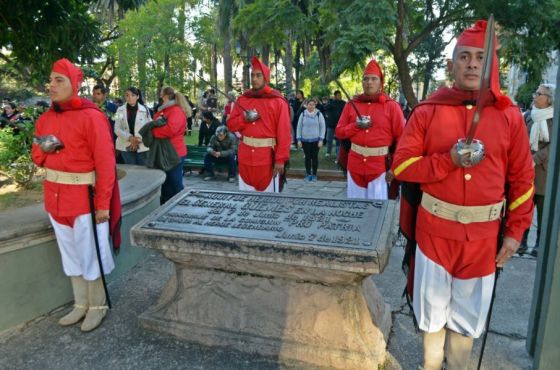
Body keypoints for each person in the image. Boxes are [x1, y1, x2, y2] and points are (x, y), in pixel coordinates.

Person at [391, 21, 535, 369]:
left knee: (467, 321)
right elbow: (402, 167)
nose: (472, 64)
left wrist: (515, 234)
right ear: (452, 65)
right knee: (432, 316)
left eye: (481, 58)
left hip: (483, 239)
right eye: (465, 57)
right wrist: (447, 161)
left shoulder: (510, 117)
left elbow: (522, 181)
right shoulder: (428, 111)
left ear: (491, 66)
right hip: (434, 234)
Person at [31, 58, 121, 332]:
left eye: (60, 80)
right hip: (56, 199)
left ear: (75, 85)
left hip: (85, 200)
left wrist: (103, 205)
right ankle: (80, 303)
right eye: (51, 80)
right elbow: (36, 157)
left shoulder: (92, 117)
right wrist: (45, 149)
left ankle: (98, 305)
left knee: (89, 254)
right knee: (70, 255)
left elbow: (106, 164)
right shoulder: (45, 118)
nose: (52, 86)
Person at [335, 58, 405, 200]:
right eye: (366, 79)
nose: (369, 82)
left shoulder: (392, 106)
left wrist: (395, 166)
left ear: (380, 82)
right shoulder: (351, 104)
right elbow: (339, 131)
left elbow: (402, 140)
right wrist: (356, 126)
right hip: (354, 165)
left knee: (377, 212)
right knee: (355, 209)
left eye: (374, 79)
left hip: (379, 167)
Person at [227, 56, 291, 192]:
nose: (254, 79)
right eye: (252, 75)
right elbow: (231, 125)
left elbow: (284, 133)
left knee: (268, 207)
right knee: (246, 203)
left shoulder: (277, 101)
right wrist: (244, 118)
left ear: (266, 78)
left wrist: (280, 159)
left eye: (258, 75)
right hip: (245, 159)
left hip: (267, 160)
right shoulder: (243, 99)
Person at [518, 83, 555, 257]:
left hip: (544, 171)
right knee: (525, 206)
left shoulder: (554, 118)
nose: (534, 96)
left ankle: (539, 244)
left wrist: (535, 159)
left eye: (539, 93)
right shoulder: (528, 116)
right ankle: (522, 242)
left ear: (549, 99)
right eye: (536, 92)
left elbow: (553, 146)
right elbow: (519, 139)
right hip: (526, 169)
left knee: (542, 210)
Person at [151, 86, 191, 204]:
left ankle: (181, 205)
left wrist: (153, 132)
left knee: (175, 182)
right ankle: (167, 206)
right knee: (166, 183)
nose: (160, 97)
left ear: (166, 96)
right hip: (165, 151)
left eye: (161, 95)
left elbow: (171, 130)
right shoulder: (166, 109)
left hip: (175, 152)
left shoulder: (176, 111)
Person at [114, 87, 152, 165]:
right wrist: (130, 138)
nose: (130, 97)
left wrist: (137, 140)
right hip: (125, 145)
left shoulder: (145, 110)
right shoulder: (119, 110)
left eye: (133, 95)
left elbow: (149, 127)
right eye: (127, 95)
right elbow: (116, 128)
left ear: (137, 97)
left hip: (142, 145)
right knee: (130, 171)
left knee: (143, 171)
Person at [296, 98, 326, 182]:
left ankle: (314, 175)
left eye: (313, 104)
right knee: (307, 158)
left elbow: (323, 127)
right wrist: (298, 139)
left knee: (315, 157)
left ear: (315, 105)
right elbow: (299, 127)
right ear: (306, 105)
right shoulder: (303, 114)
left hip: (316, 140)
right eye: (309, 104)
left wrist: (321, 139)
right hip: (305, 140)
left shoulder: (319, 114)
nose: (311, 106)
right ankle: (308, 174)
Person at [323, 90, 346, 157]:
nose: (340, 96)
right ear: (335, 96)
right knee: (329, 139)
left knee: (339, 140)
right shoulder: (331, 103)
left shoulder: (344, 103)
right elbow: (325, 108)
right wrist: (330, 101)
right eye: (338, 95)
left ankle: (338, 153)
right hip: (331, 125)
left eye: (340, 95)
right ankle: (328, 152)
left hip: (340, 125)